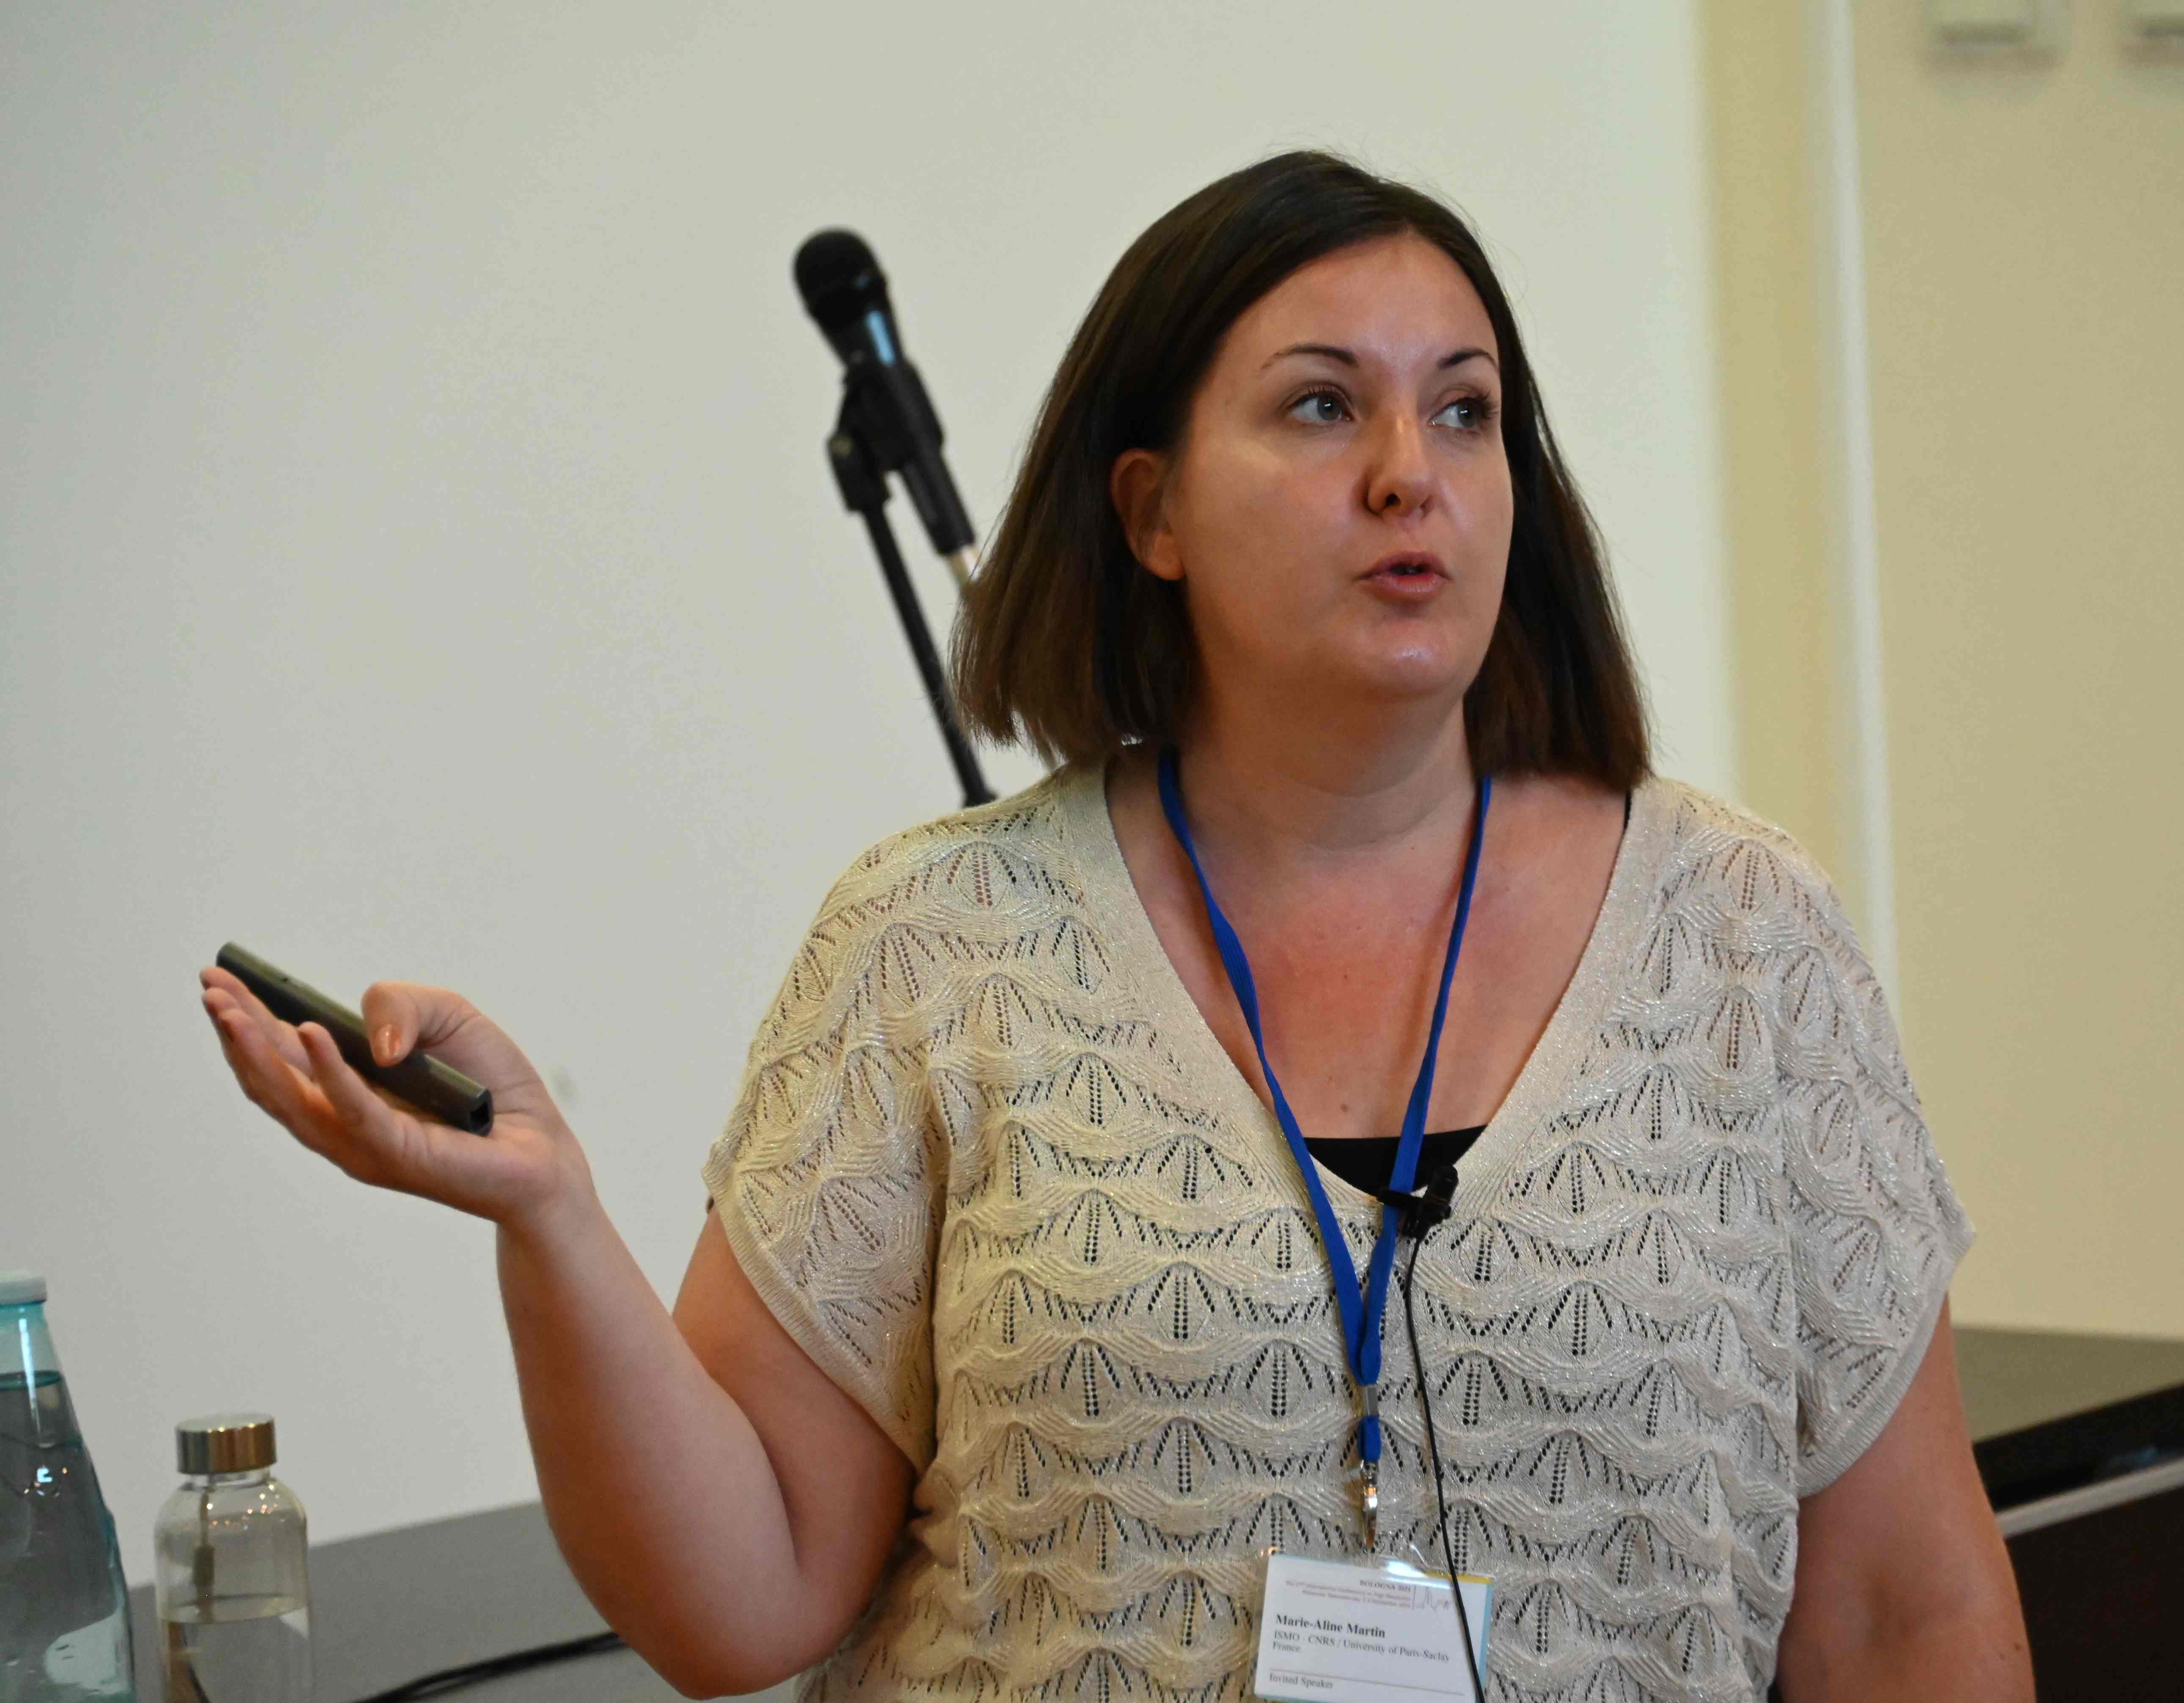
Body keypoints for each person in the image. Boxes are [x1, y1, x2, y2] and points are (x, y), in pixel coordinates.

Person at [198, 152, 2030, 1702]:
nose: (1412, 470)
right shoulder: (940, 940)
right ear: (1150, 510)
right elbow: (735, 1600)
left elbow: (1908, 1611)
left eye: (1465, 410)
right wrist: (549, 1220)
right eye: (1324, 405)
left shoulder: (1744, 936)